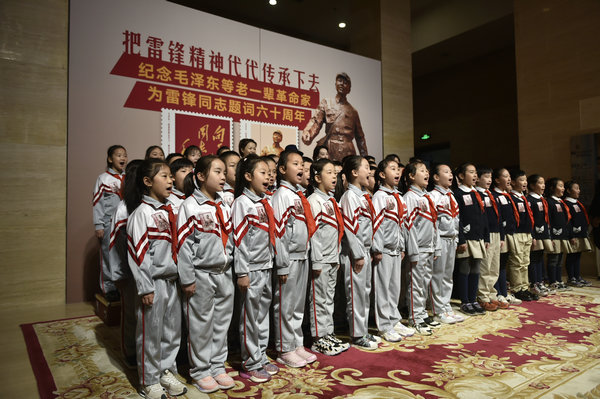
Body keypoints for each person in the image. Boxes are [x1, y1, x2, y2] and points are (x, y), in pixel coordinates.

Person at [125, 159, 187, 399]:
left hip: (171, 280)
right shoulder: (142, 213)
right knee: (150, 333)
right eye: (164, 176)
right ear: (147, 182)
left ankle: (165, 370)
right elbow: (139, 255)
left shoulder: (170, 209)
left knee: (171, 332)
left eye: (171, 176)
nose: (171, 180)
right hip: (153, 283)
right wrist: (145, 287)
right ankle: (148, 380)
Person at [177, 155, 235, 393]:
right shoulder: (190, 206)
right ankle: (200, 369)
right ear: (200, 176)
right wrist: (187, 278)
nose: (223, 177)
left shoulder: (224, 204)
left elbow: (230, 238)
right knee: (200, 324)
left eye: (224, 172)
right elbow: (183, 246)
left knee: (221, 323)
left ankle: (217, 364)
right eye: (217, 172)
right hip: (201, 273)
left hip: (224, 272)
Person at [231, 155, 278, 383]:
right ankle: (250, 362)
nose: (268, 176)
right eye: (262, 172)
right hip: (251, 270)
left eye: (270, 172)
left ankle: (260, 354)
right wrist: (242, 272)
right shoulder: (242, 203)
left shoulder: (263, 202)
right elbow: (239, 242)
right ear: (248, 176)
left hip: (265, 266)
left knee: (261, 315)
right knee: (249, 318)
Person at [271, 150, 317, 368]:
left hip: (302, 255)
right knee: (285, 305)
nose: (301, 168)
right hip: (288, 259)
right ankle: (284, 348)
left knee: (297, 305)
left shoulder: (299, 196)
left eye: (302, 164)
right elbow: (279, 234)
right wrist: (281, 264)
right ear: (282, 170)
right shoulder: (282, 196)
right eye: (295, 164)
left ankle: (296, 342)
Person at [336, 156, 381, 348]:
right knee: (355, 295)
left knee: (365, 293)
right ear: (354, 173)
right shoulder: (349, 197)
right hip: (356, 254)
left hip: (365, 251)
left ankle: (363, 330)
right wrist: (358, 254)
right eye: (365, 167)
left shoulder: (363, 197)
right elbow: (350, 228)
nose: (369, 171)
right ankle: (356, 334)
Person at [307, 158, 349, 355]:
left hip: (332, 257)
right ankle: (318, 337)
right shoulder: (314, 201)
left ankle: (328, 332)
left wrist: (338, 256)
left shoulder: (331, 201)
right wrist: (316, 260)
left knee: (328, 298)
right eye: (329, 172)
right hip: (321, 259)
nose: (334, 176)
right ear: (317, 177)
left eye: (335, 172)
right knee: (318, 299)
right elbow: (313, 234)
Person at [372, 157, 416, 341]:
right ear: (382, 175)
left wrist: (403, 245)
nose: (397, 172)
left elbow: (402, 225)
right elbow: (377, 225)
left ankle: (393, 319)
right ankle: (384, 325)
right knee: (382, 289)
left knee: (394, 288)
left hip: (397, 249)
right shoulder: (380, 197)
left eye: (398, 169)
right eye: (392, 169)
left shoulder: (398, 197)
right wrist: (377, 249)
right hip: (384, 250)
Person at [107, 159, 142, 369]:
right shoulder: (123, 209)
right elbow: (116, 246)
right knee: (130, 314)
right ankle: (130, 351)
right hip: (128, 271)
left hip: (148, 270)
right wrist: (119, 274)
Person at [401, 160, 440, 335]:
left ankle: (422, 313)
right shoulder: (410, 198)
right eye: (422, 171)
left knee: (424, 283)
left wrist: (436, 246)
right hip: (418, 249)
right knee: (415, 284)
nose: (427, 174)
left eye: (427, 170)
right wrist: (413, 250)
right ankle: (415, 317)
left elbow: (433, 224)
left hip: (429, 247)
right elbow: (409, 227)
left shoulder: (426, 197)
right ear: (411, 176)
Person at [301, 73, 368, 161]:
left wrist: (366, 159)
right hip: (330, 148)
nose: (341, 84)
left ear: (349, 89)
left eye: (345, 82)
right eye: (339, 81)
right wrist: (308, 133)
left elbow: (360, 138)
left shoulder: (353, 112)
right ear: (335, 84)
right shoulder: (326, 103)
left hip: (348, 151)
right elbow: (316, 122)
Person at [428, 164, 464, 323]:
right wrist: (436, 244)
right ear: (436, 177)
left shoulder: (452, 195)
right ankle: (438, 310)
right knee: (437, 275)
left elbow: (456, 220)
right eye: (446, 172)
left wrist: (456, 239)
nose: (450, 174)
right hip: (440, 239)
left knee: (448, 276)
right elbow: (433, 223)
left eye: (451, 171)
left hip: (451, 239)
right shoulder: (432, 196)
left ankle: (446, 306)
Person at [453, 163, 489, 315]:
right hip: (466, 238)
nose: (475, 176)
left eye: (475, 173)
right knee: (464, 268)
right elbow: (457, 218)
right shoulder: (457, 194)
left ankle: (473, 299)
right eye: (471, 172)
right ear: (461, 176)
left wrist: (486, 236)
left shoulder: (477, 194)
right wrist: (461, 239)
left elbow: (483, 216)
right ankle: (465, 301)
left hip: (478, 237)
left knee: (476, 269)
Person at [93, 144, 128, 301]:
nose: (122, 158)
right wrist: (98, 225)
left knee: (123, 255)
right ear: (109, 159)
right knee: (108, 255)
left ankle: (123, 285)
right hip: (108, 223)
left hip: (125, 224)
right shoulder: (103, 178)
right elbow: (97, 202)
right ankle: (108, 288)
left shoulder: (127, 178)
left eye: (124, 155)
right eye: (118, 155)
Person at [476, 167, 508, 309]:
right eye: (485, 177)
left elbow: (499, 216)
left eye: (490, 177)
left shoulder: (491, 195)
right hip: (486, 235)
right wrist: (485, 236)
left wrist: (501, 235)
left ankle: (492, 294)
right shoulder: (476, 194)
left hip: (496, 233)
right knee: (485, 266)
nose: (489, 180)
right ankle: (482, 296)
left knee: (494, 266)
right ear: (477, 178)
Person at [491, 168, 522, 306]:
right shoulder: (494, 195)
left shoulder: (507, 195)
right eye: (505, 176)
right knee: (497, 264)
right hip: (500, 235)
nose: (509, 179)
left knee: (504, 263)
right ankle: (498, 292)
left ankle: (504, 292)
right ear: (497, 180)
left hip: (510, 234)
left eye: (510, 176)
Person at [508, 169, 538, 301]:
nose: (524, 182)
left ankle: (525, 287)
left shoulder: (524, 198)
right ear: (513, 182)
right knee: (517, 262)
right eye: (521, 180)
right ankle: (517, 288)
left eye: (525, 180)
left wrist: (532, 234)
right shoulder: (511, 197)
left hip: (527, 233)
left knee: (526, 262)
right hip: (517, 233)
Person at [564, 180, 593, 287]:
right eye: (576, 188)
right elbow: (568, 221)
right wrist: (571, 235)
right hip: (573, 235)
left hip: (581, 234)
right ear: (568, 190)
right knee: (572, 256)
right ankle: (571, 277)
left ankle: (577, 276)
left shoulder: (577, 203)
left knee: (578, 256)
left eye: (579, 188)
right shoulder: (566, 203)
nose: (578, 191)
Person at [526, 174, 552, 296]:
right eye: (540, 183)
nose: (543, 185)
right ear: (532, 185)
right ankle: (534, 283)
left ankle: (540, 281)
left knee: (540, 257)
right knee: (533, 258)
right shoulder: (530, 200)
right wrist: (533, 236)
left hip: (543, 233)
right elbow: (530, 219)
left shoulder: (542, 199)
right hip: (535, 234)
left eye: (543, 183)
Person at [545, 178, 570, 291]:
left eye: (563, 186)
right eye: (560, 186)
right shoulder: (549, 201)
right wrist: (550, 236)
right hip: (554, 235)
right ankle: (552, 281)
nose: (563, 188)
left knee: (560, 259)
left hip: (562, 235)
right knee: (553, 259)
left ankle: (559, 280)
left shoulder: (561, 201)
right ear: (552, 188)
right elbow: (548, 219)